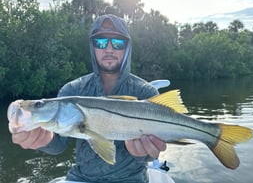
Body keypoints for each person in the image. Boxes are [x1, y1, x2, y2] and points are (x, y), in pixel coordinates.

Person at [11, 14, 167, 182]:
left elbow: (153, 152)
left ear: (127, 48)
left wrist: (143, 155)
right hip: (80, 178)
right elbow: (58, 144)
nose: (109, 49)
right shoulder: (72, 89)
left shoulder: (146, 92)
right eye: (100, 42)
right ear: (92, 47)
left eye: (117, 43)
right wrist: (43, 140)